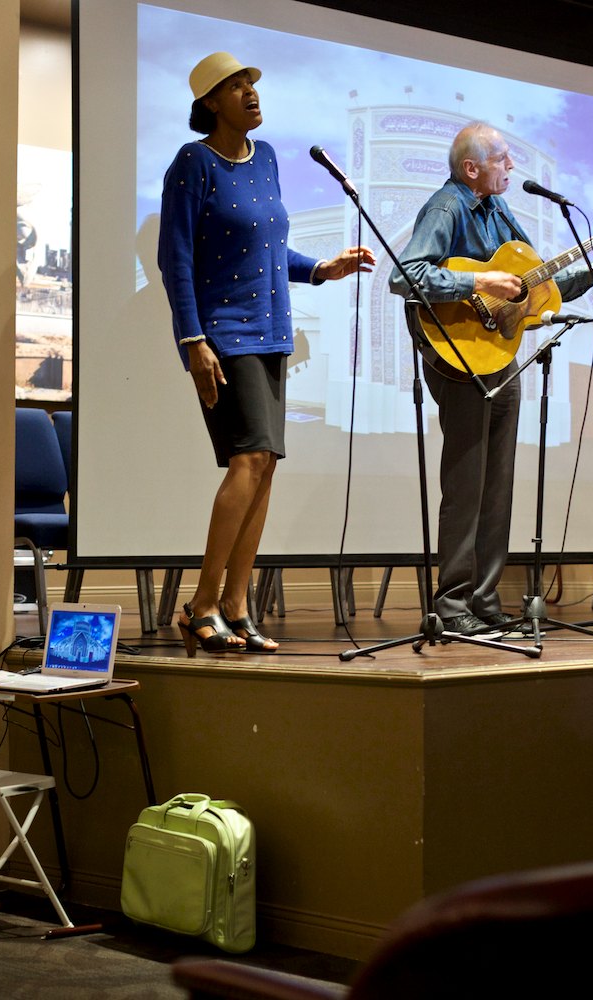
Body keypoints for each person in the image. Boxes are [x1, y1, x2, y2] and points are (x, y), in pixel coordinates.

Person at [159, 52, 374, 656]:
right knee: (249, 458)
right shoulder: (193, 163)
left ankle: (236, 603)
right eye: (235, 86)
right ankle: (200, 605)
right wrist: (192, 340)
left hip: (273, 329)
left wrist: (322, 268)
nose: (251, 93)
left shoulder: (269, 159)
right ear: (209, 104)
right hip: (224, 333)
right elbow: (174, 260)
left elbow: (271, 249)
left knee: (266, 464)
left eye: (252, 82)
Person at [391, 122, 593, 635]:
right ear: (471, 168)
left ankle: (484, 599)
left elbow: (537, 284)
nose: (511, 167)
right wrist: (476, 279)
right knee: (466, 483)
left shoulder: (499, 209)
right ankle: (451, 606)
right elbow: (404, 276)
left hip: (500, 358)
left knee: (497, 487)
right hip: (457, 357)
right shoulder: (446, 207)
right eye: (501, 159)